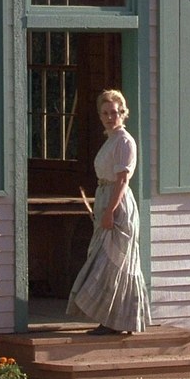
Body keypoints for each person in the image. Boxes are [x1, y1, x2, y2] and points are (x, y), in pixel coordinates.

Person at [66, 89, 152, 335]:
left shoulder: (124, 141)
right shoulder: (111, 140)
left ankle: (118, 321)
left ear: (122, 113)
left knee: (114, 261)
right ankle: (112, 319)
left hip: (118, 204)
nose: (109, 117)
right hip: (105, 197)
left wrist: (110, 211)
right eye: (105, 113)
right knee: (105, 260)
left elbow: (122, 180)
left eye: (113, 112)